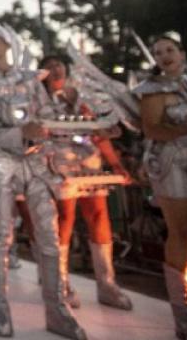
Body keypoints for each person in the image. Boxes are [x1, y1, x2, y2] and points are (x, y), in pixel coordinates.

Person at [0, 25, 86, 339]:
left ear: (7, 44)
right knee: (0, 235)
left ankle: (57, 309)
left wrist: (55, 125)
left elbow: (46, 114)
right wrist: (18, 133)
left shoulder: (30, 80)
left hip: (37, 160)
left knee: (49, 233)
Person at [39, 53, 133, 311]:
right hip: (58, 162)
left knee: (98, 215)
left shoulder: (82, 97)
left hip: (89, 161)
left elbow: (100, 133)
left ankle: (107, 284)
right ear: (42, 75)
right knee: (64, 218)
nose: (55, 69)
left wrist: (115, 163)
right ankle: (61, 284)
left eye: (59, 65)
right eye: (49, 66)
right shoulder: (40, 101)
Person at [135, 35, 187, 340]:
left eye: (169, 50)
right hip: (172, 164)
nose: (164, 55)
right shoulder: (151, 90)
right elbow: (152, 129)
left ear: (182, 54)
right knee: (181, 234)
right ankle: (183, 316)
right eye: (158, 52)